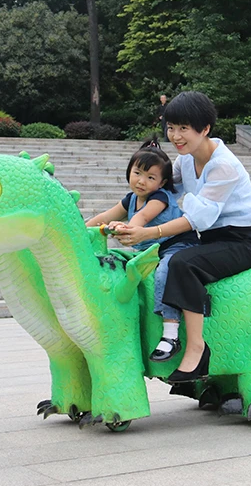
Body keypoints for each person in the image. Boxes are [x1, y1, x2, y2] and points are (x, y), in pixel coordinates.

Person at [115, 91, 251, 382]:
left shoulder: (224, 166)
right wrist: (127, 220)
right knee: (164, 257)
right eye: (171, 128)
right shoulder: (184, 161)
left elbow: (197, 218)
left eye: (184, 128)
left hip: (239, 242)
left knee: (182, 263)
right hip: (207, 239)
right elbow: (159, 192)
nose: (176, 136)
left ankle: (196, 348)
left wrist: (148, 231)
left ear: (205, 129)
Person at [85, 138, 198, 361]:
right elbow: (105, 217)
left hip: (177, 244)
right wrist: (80, 228)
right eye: (137, 173)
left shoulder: (160, 197)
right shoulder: (130, 199)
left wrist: (126, 227)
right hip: (150, 250)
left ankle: (171, 334)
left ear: (162, 182)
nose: (141, 181)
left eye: (150, 178)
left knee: (167, 271)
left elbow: (143, 217)